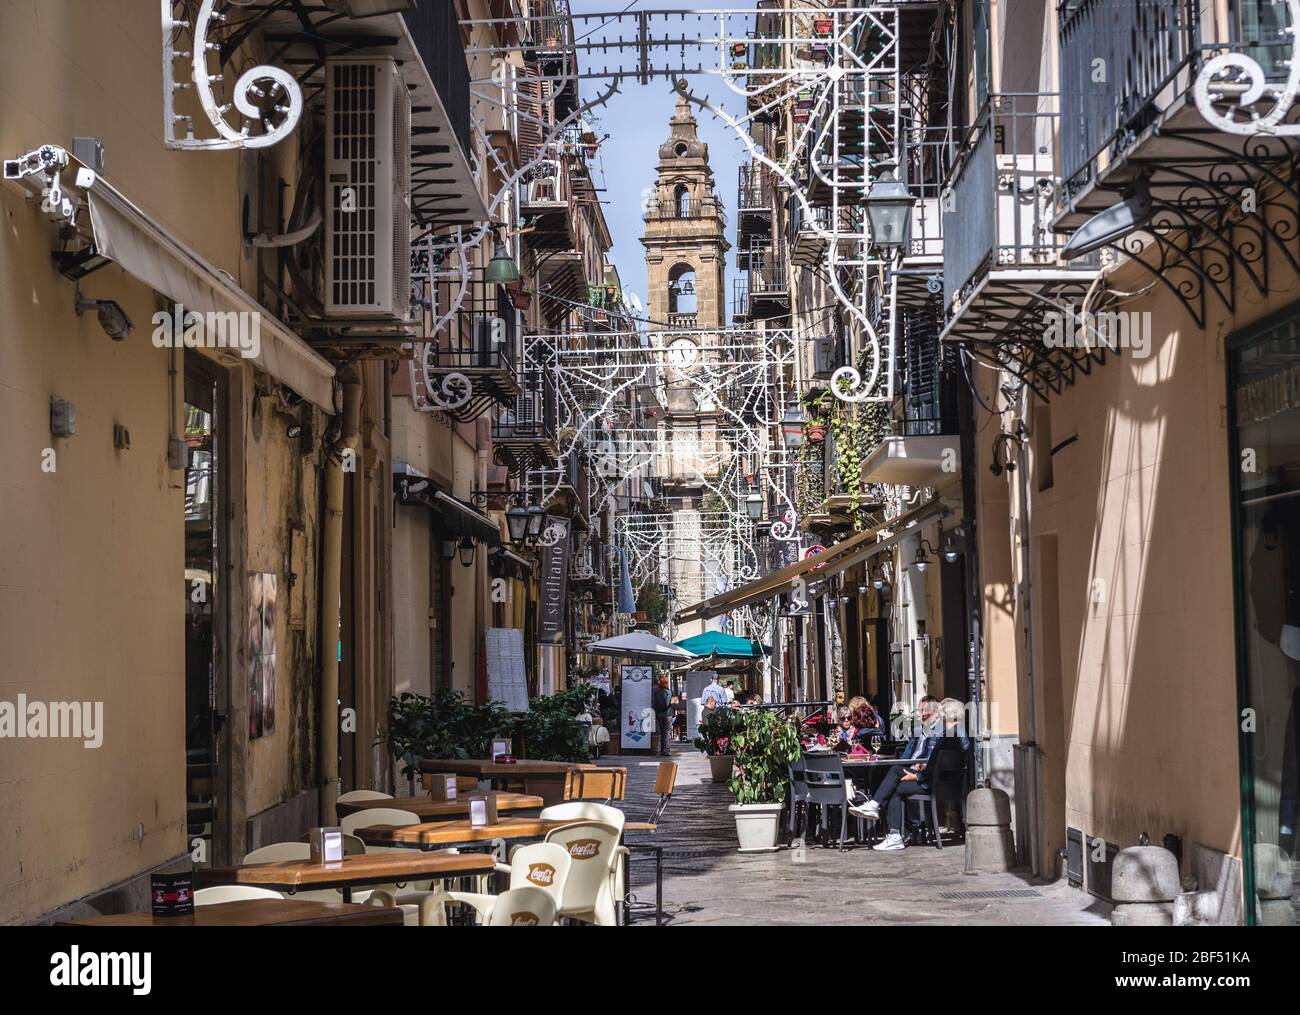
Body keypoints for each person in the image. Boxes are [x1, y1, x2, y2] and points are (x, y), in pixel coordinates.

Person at [854, 697, 969, 850]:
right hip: (947, 783)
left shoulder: (947, 737)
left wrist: (916, 776)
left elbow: (936, 765)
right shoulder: (959, 734)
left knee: (895, 783)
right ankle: (883, 818)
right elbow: (937, 764)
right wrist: (923, 769)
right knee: (896, 779)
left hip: (936, 784)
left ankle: (887, 824)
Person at [652, 676, 677, 757]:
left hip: (659, 715)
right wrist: (672, 701)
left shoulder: (657, 692)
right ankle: (666, 750)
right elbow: (667, 703)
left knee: (662, 733)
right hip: (667, 715)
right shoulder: (668, 692)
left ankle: (662, 749)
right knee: (666, 733)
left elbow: (654, 704)